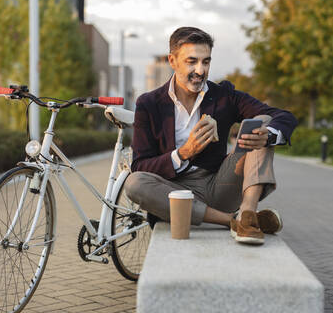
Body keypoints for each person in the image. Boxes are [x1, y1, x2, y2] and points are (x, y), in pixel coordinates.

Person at [124, 26, 297, 244]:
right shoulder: (149, 103)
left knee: (262, 123)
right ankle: (233, 221)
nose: (200, 70)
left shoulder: (224, 95)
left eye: (206, 62)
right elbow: (140, 166)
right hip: (174, 193)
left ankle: (248, 212)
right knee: (134, 183)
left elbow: (283, 116)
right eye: (192, 61)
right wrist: (184, 152)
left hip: (220, 185)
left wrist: (269, 136)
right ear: (172, 60)